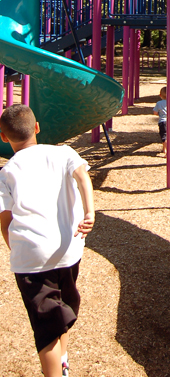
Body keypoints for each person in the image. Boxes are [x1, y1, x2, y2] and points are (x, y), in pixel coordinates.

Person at [0, 104, 94, 377]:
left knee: (46, 326)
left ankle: (56, 368)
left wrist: (14, 246)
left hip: (31, 255)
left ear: (4, 137)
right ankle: (62, 360)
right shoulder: (63, 153)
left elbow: (5, 220)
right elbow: (82, 177)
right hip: (68, 248)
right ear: (37, 127)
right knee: (64, 307)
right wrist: (90, 211)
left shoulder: (6, 173)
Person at [153, 86, 167, 156]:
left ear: (160, 95)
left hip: (162, 121)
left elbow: (155, 112)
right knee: (169, 136)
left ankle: (166, 150)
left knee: (164, 136)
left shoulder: (159, 103)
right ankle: (165, 149)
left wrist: (159, 113)